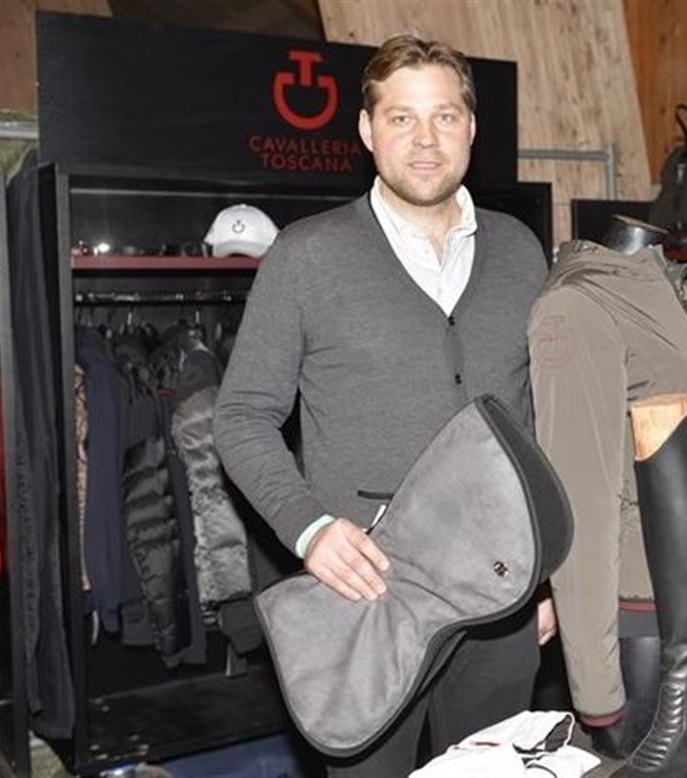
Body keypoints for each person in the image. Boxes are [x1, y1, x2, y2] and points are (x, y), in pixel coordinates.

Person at [214, 33, 554, 777]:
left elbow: (532, 421)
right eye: (402, 118)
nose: (425, 140)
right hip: (367, 597)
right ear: (368, 131)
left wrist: (547, 575)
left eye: (444, 116)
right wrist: (308, 530)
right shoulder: (306, 255)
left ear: (471, 127)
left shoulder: (520, 250)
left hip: (500, 595)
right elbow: (241, 417)